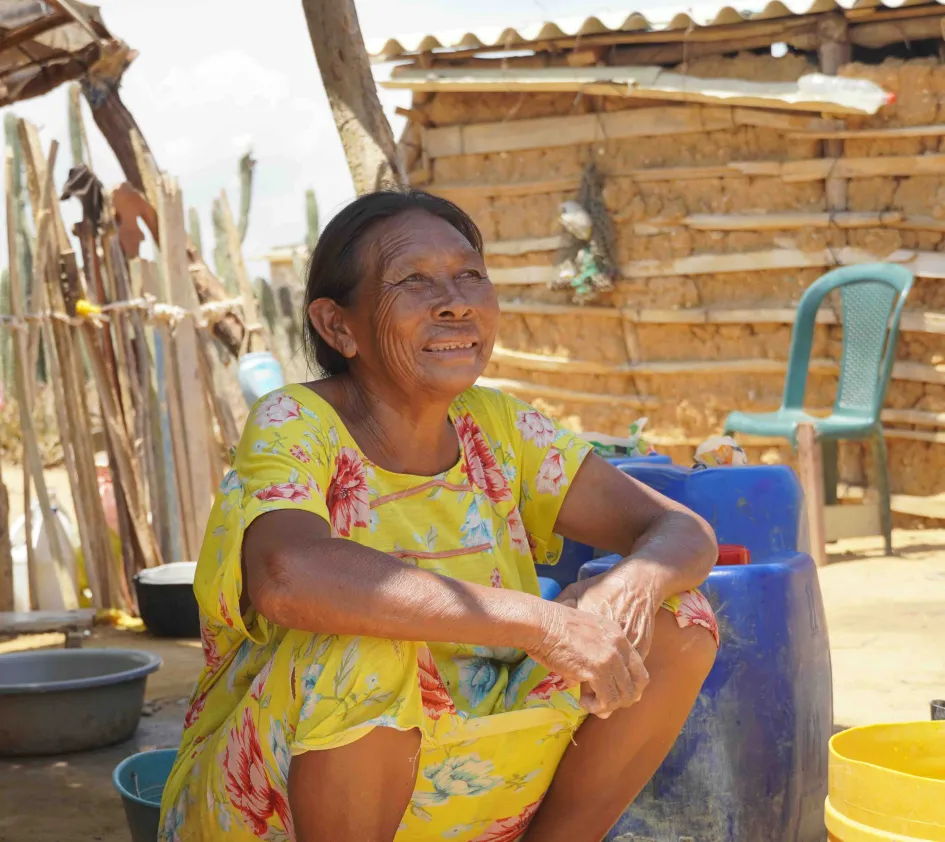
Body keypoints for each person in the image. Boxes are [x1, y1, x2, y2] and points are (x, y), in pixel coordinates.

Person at [159, 189, 720, 842]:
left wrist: (631, 585)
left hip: (464, 773)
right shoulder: (296, 423)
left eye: (469, 275)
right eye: (413, 281)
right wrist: (541, 622)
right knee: (362, 652)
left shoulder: (499, 426)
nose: (455, 302)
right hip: (277, 804)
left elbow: (682, 530)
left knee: (677, 618)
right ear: (338, 326)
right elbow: (287, 575)